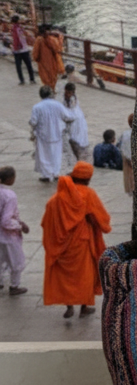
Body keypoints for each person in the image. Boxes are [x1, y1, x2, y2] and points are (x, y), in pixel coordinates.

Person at [41, 161, 111, 320]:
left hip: (62, 246)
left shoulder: (56, 199)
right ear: (87, 179)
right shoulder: (89, 194)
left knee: (66, 277)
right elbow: (101, 220)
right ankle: (84, 307)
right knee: (84, 275)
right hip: (81, 243)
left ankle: (69, 306)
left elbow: (47, 223)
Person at [29, 85, 75, 182]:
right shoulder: (58, 105)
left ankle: (46, 175)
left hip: (42, 134)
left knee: (44, 154)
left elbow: (33, 121)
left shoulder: (36, 107)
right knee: (56, 154)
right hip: (57, 133)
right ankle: (55, 173)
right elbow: (68, 117)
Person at [0, 167, 29, 296]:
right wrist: (19, 225)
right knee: (16, 261)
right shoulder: (9, 195)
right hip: (8, 235)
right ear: (10, 179)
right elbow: (6, 221)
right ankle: (14, 285)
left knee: (1, 259)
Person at [31, 25, 65, 91]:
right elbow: (58, 49)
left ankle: (48, 89)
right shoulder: (52, 39)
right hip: (52, 62)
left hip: (43, 62)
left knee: (45, 77)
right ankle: (52, 89)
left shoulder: (39, 40)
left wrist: (36, 59)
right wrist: (60, 38)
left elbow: (35, 53)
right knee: (52, 77)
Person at [62, 82, 90, 161]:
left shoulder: (73, 99)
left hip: (76, 119)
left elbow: (73, 110)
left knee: (76, 135)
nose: (68, 94)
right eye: (67, 92)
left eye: (69, 92)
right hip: (69, 118)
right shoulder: (63, 98)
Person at [10, 15, 35, 85]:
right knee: (28, 65)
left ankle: (23, 80)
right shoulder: (19, 28)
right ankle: (31, 79)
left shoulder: (16, 28)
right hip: (23, 49)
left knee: (19, 66)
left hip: (19, 50)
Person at [119, 113, 134, 194]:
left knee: (128, 174)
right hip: (135, 157)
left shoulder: (125, 133)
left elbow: (120, 144)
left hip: (126, 155)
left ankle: (130, 189)